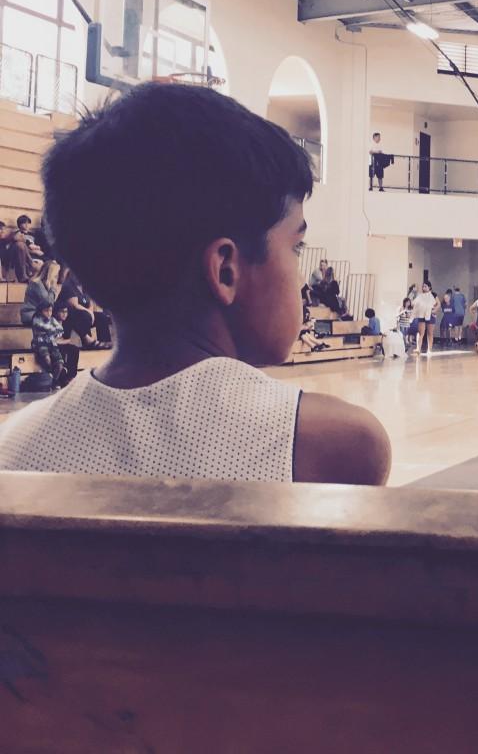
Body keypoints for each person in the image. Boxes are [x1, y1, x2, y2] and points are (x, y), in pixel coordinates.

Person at [0, 81, 391, 486]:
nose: (298, 268)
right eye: (296, 246)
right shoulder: (334, 445)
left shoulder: (13, 451)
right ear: (225, 270)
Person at [54, 270, 112, 350]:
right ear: (72, 275)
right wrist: (89, 312)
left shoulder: (84, 287)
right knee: (85, 315)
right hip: (69, 316)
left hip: (84, 313)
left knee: (102, 316)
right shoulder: (68, 286)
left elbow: (90, 301)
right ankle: (89, 343)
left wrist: (91, 311)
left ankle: (104, 342)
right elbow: (75, 305)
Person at [30, 301, 67, 388]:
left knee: (60, 364)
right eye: (46, 311)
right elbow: (43, 327)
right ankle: (49, 375)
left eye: (50, 311)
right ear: (41, 311)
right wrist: (52, 331)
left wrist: (53, 331)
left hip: (52, 344)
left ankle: (54, 381)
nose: (49, 313)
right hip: (40, 344)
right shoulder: (36, 319)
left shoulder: (52, 320)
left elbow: (60, 329)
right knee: (47, 359)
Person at [21, 259, 61, 326]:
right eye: (56, 275)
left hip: (40, 315)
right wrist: (53, 289)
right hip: (31, 315)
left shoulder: (45, 284)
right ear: (50, 274)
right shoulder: (36, 284)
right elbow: (48, 303)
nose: (57, 278)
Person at [412, 281, 436, 355]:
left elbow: (438, 304)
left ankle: (429, 350)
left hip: (430, 315)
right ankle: (418, 348)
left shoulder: (433, 294)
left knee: (430, 333)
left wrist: (434, 311)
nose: (424, 288)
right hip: (421, 315)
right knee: (420, 332)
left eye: (425, 286)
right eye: (423, 286)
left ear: (429, 287)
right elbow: (414, 303)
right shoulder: (420, 295)